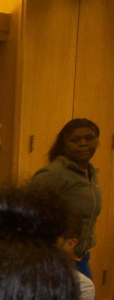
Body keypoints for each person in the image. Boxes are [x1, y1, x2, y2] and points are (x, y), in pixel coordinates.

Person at [32, 118, 101, 279]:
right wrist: (57, 248)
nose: (83, 143)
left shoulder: (90, 173)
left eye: (89, 138)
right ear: (64, 145)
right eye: (75, 140)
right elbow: (28, 215)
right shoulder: (53, 174)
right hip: (55, 261)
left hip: (81, 259)